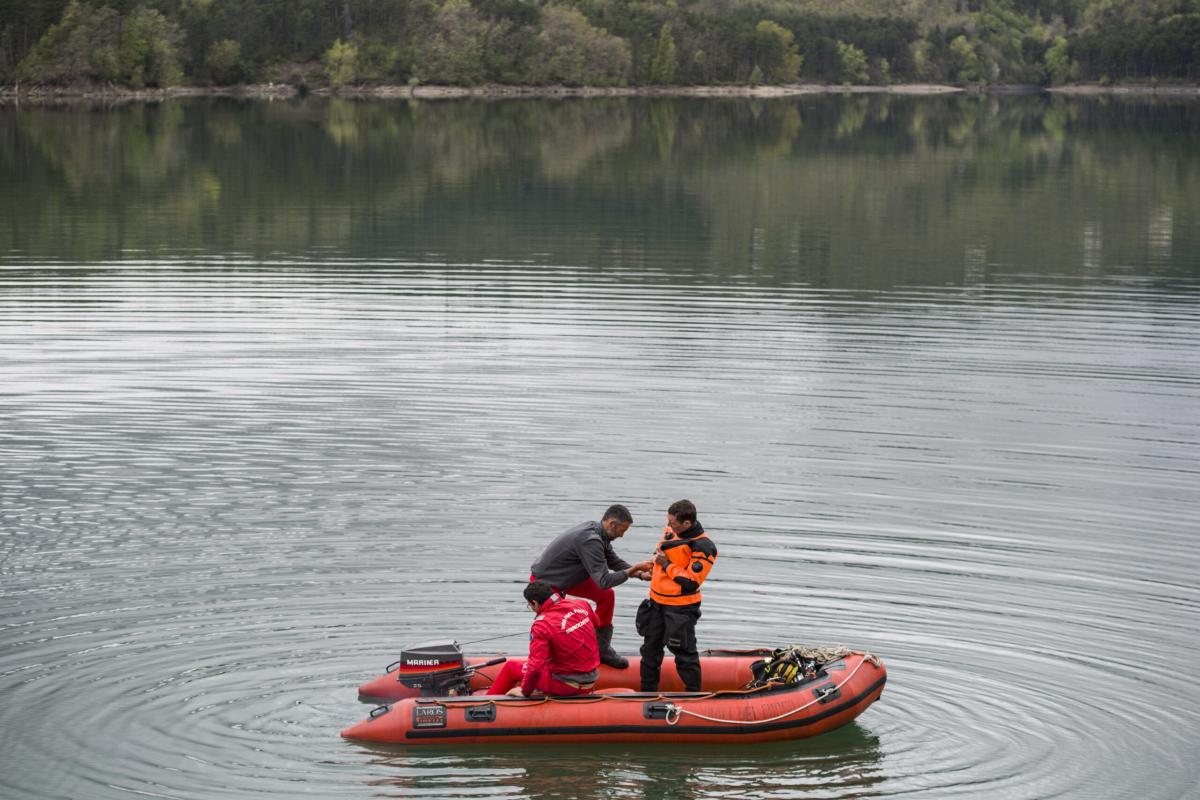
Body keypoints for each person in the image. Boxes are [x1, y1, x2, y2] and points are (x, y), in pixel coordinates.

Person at [529, 504, 654, 669]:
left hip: (568, 580)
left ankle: (602, 649)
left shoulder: (600, 534)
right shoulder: (590, 540)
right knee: (557, 622)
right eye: (622, 530)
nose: (622, 535)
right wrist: (634, 569)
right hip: (546, 583)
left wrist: (639, 574)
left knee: (606, 595)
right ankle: (549, 662)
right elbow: (604, 581)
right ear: (612, 524)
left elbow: (614, 562)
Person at [636, 499, 717, 693]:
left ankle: (694, 694)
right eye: (668, 521)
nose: (668, 525)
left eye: (673, 522)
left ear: (687, 523)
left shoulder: (703, 547)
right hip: (656, 603)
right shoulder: (671, 531)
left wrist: (665, 565)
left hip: (680, 608)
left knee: (684, 653)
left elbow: (691, 582)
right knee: (650, 651)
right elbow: (661, 553)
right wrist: (652, 569)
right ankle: (646, 694)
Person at [488, 581, 602, 697]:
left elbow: (535, 667)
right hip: (592, 678)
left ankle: (483, 704)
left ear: (534, 603)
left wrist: (524, 691)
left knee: (511, 668)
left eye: (530, 606)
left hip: (566, 685)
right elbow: (597, 623)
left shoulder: (541, 625)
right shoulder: (581, 604)